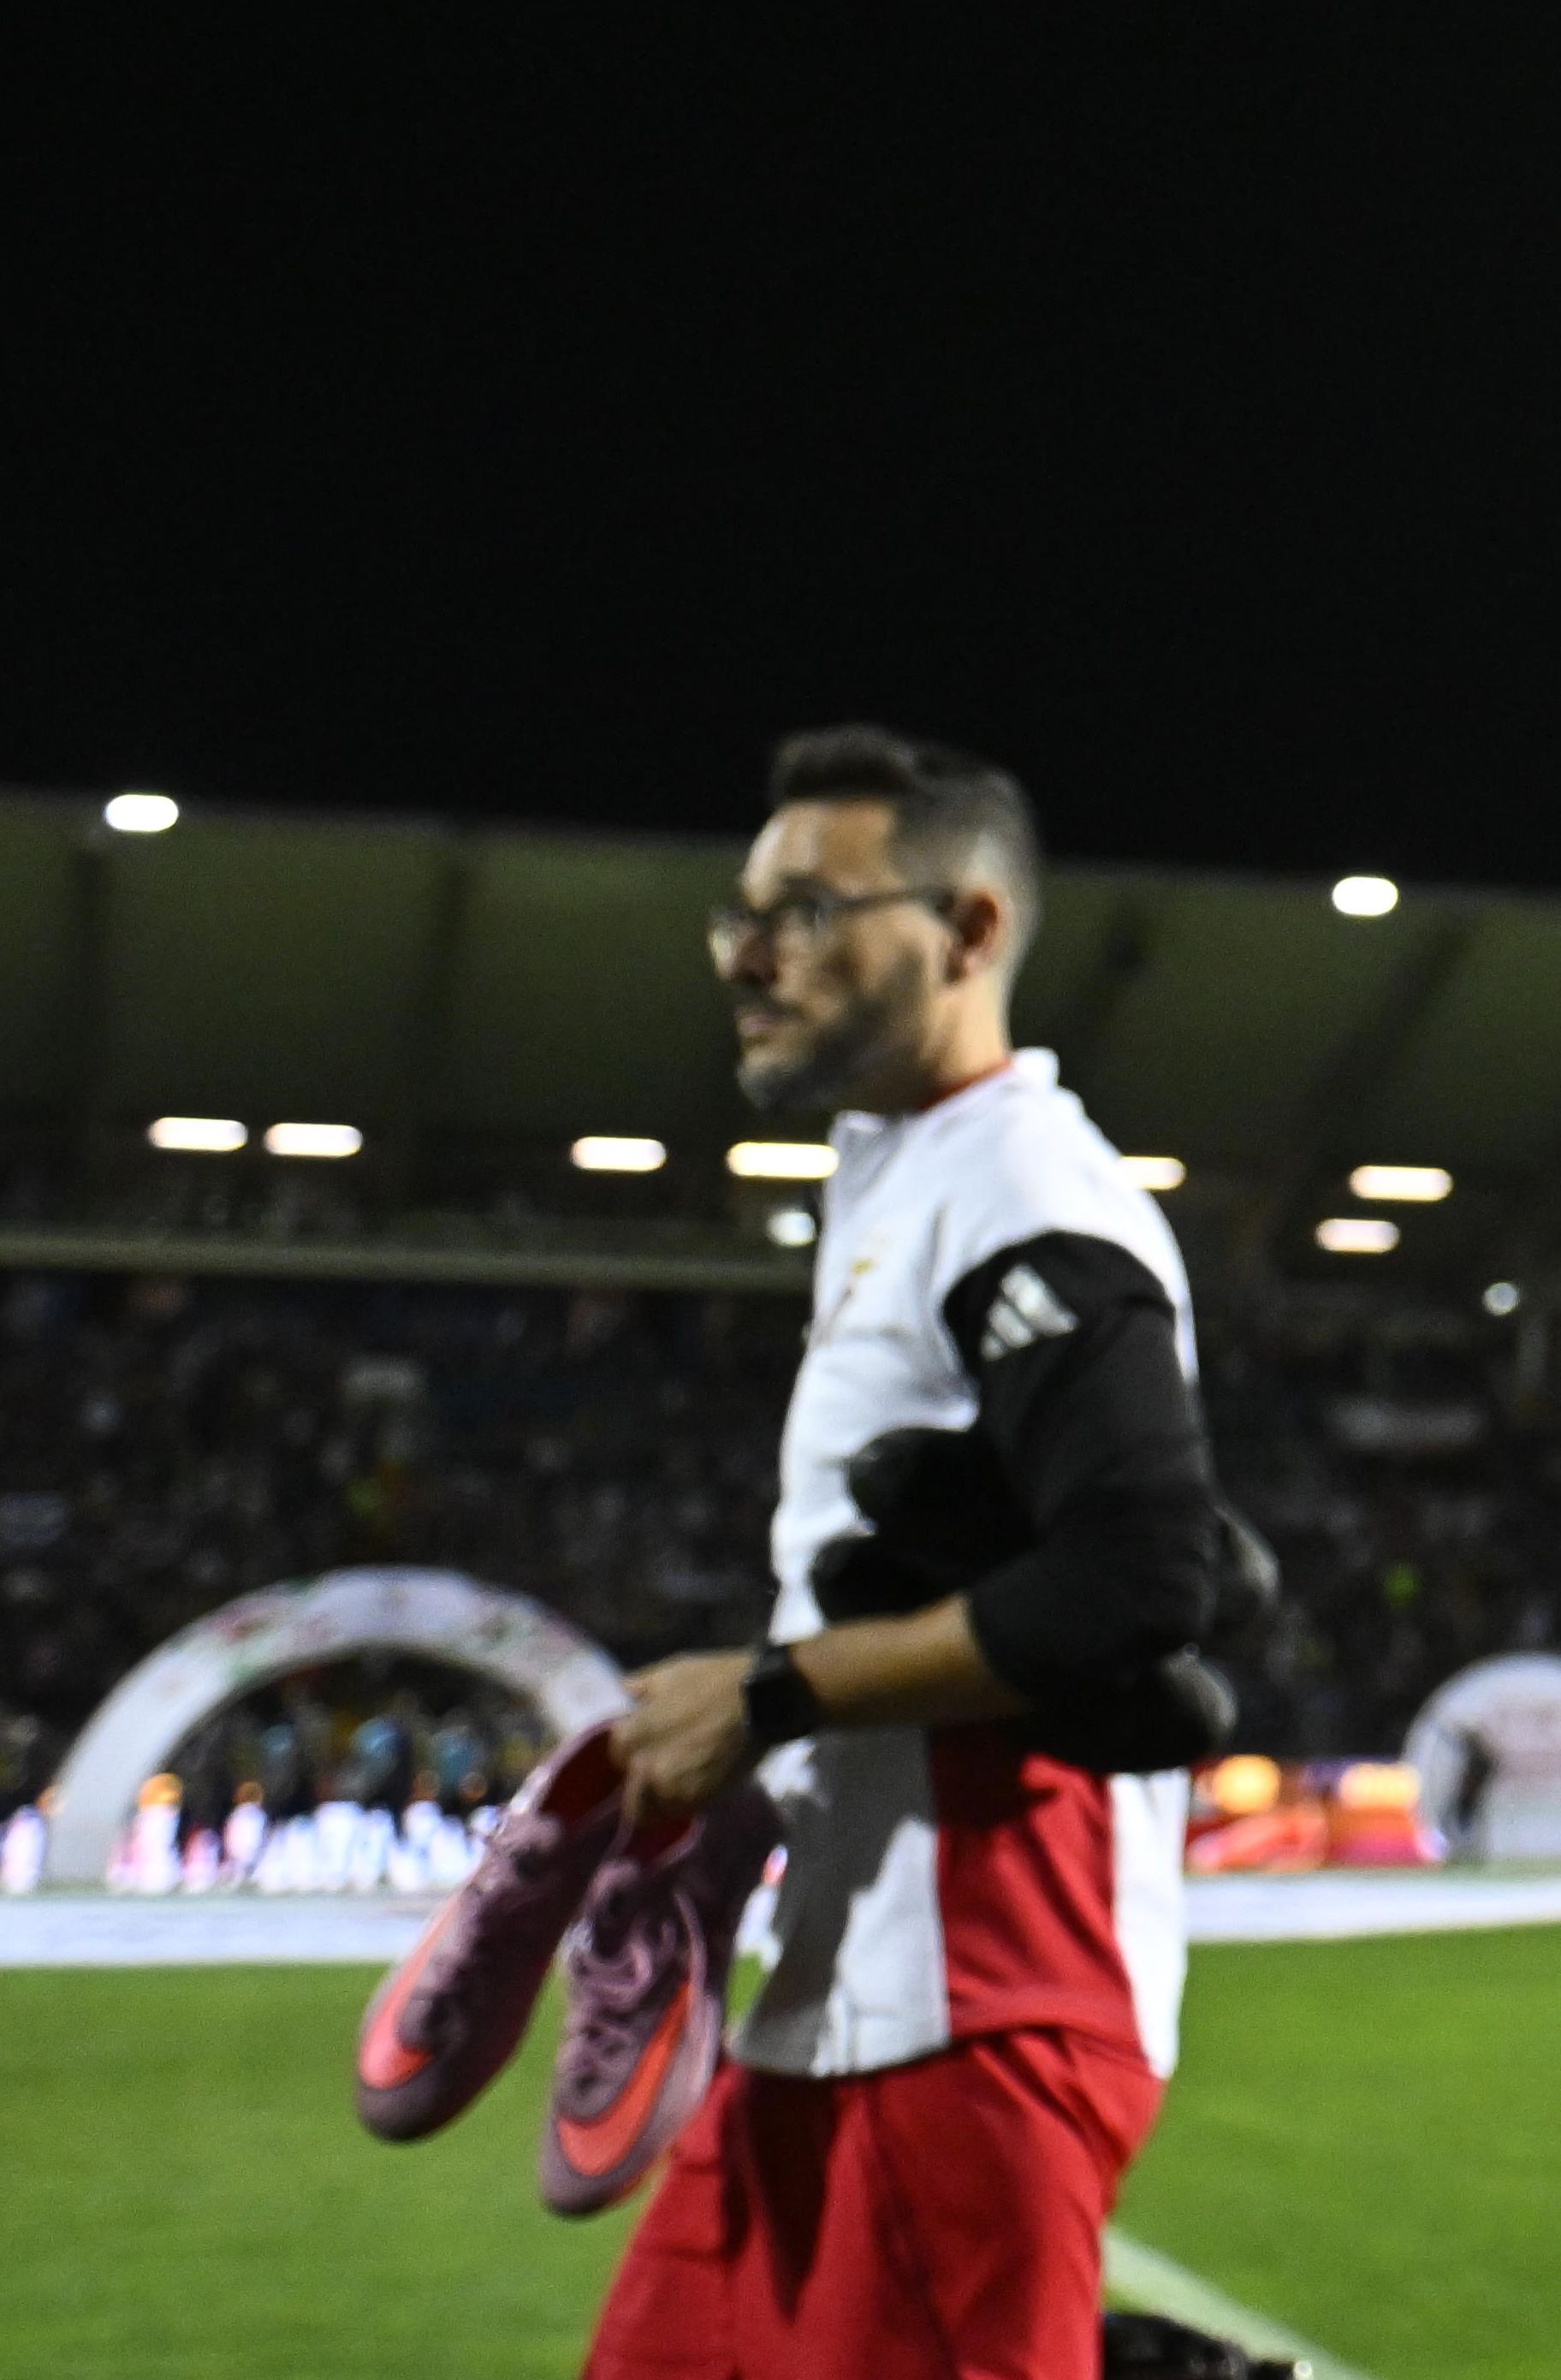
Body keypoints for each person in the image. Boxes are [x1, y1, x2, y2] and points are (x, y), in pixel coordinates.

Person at [585, 727, 1237, 2380]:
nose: (748, 954)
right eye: (740, 913)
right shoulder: (904, 1173)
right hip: (843, 1991)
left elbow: (1139, 1573)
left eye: (807, 911)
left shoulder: (1024, 1189)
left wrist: (769, 1693)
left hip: (983, 1998)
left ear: (968, 930)